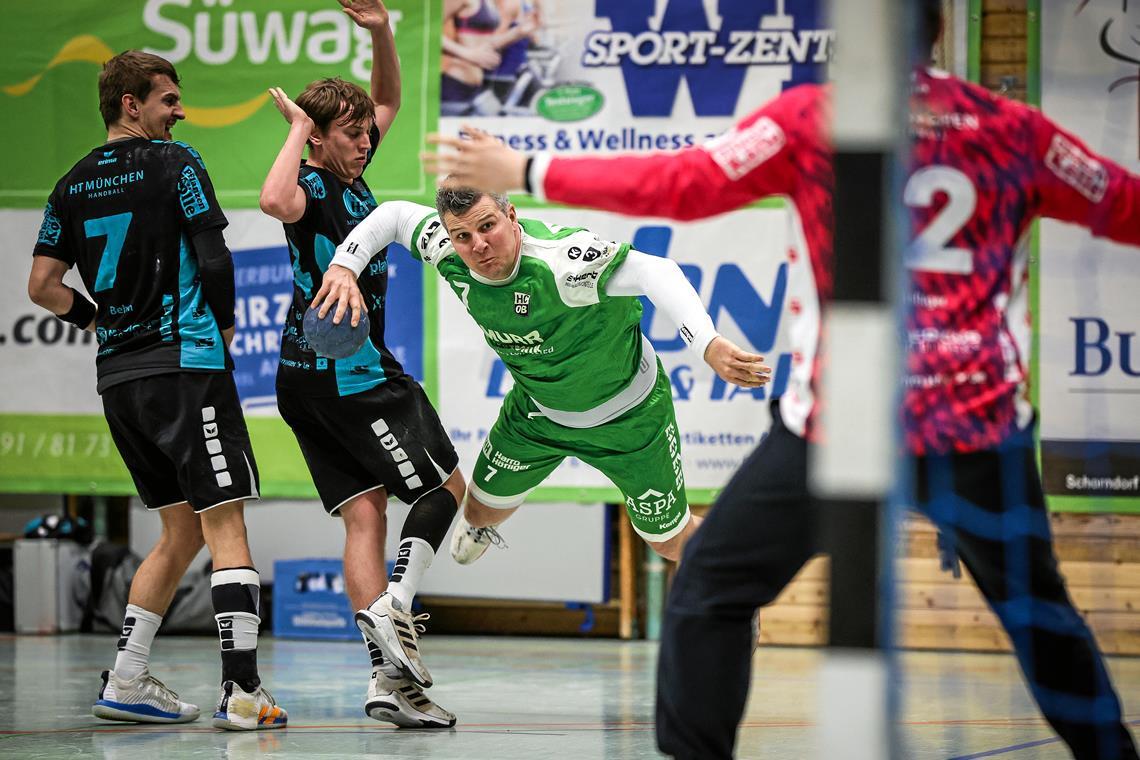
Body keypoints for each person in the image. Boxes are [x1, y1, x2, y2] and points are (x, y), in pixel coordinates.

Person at [421, 4, 1140, 759]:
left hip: (839, 428)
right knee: (1040, 615)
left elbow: (682, 182)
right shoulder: (1014, 131)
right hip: (975, 426)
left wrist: (530, 170)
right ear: (936, 31)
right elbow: (1124, 204)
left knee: (707, 594)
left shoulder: (814, 119)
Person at [311, 187, 770, 575]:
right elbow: (393, 215)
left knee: (667, 541)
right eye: (463, 236)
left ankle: (732, 583)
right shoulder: (451, 249)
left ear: (512, 216)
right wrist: (343, 265)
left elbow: (657, 271)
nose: (478, 245)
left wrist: (706, 343)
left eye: (488, 226)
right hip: (538, 414)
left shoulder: (565, 263)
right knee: (477, 508)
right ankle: (482, 522)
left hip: (629, 417)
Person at [27, 50, 286, 731]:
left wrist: (98, 319)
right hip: (185, 367)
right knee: (224, 519)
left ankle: (128, 677)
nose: (180, 110)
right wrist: (225, 332)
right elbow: (213, 256)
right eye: (168, 99)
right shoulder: (177, 163)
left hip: (119, 380)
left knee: (180, 530)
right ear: (130, 104)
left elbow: (42, 287)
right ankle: (243, 693)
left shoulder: (69, 184)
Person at [258, 0, 461, 728]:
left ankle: (385, 682)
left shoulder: (350, 173)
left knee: (366, 519)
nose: (368, 141)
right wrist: (296, 132)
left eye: (366, 133)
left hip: (301, 379)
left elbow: (387, 100)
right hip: (348, 374)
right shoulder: (313, 184)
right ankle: (398, 611)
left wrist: (380, 32)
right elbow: (272, 197)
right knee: (445, 488)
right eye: (351, 135)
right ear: (318, 138)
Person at [441, 0, 537, 116]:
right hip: (454, 85)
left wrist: (519, 32)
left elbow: (485, 45)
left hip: (476, 87)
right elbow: (426, 32)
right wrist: (467, 54)